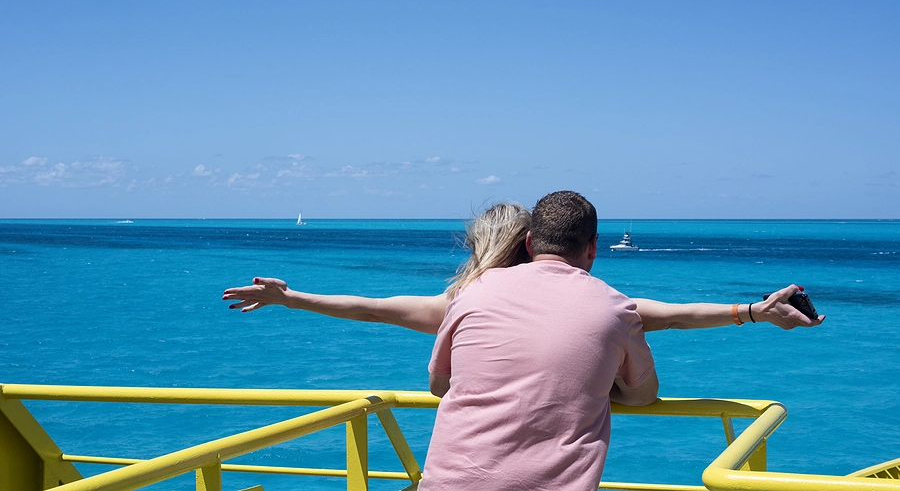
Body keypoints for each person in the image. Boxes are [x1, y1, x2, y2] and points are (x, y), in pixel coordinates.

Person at [223, 202, 824, 333]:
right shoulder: (593, 301)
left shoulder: (465, 304)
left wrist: (293, 297)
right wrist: (752, 311)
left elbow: (372, 308)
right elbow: (659, 314)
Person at [420, 190, 657, 489]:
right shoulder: (616, 309)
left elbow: (440, 386)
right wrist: (589, 386)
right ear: (593, 247)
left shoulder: (472, 292)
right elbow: (643, 394)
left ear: (530, 242)